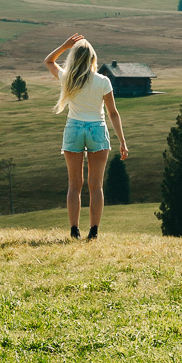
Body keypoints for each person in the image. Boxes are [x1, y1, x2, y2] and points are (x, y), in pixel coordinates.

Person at [44, 33, 129, 241]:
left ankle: (74, 230)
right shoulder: (103, 81)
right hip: (97, 130)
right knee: (96, 185)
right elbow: (113, 113)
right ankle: (94, 231)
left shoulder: (67, 78)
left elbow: (49, 61)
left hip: (73, 129)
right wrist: (122, 142)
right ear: (93, 58)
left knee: (74, 185)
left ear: (74, 58)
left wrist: (65, 45)